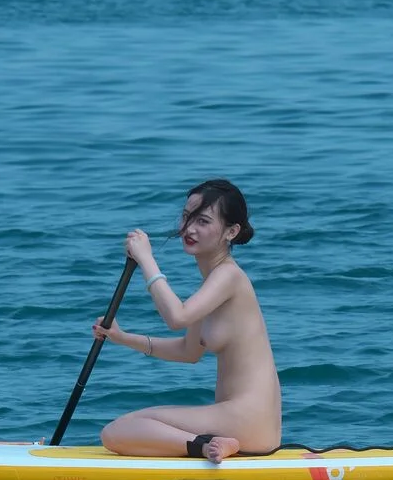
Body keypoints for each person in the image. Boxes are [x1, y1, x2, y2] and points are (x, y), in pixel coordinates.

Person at [93, 179, 282, 463]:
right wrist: (122, 338)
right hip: (241, 419)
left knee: (116, 432)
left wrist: (147, 260)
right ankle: (208, 443)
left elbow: (177, 318)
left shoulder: (228, 277)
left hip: (250, 418)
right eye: (186, 217)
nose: (189, 228)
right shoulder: (211, 284)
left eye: (203, 221)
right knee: (130, 426)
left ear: (231, 231)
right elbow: (189, 352)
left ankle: (203, 446)